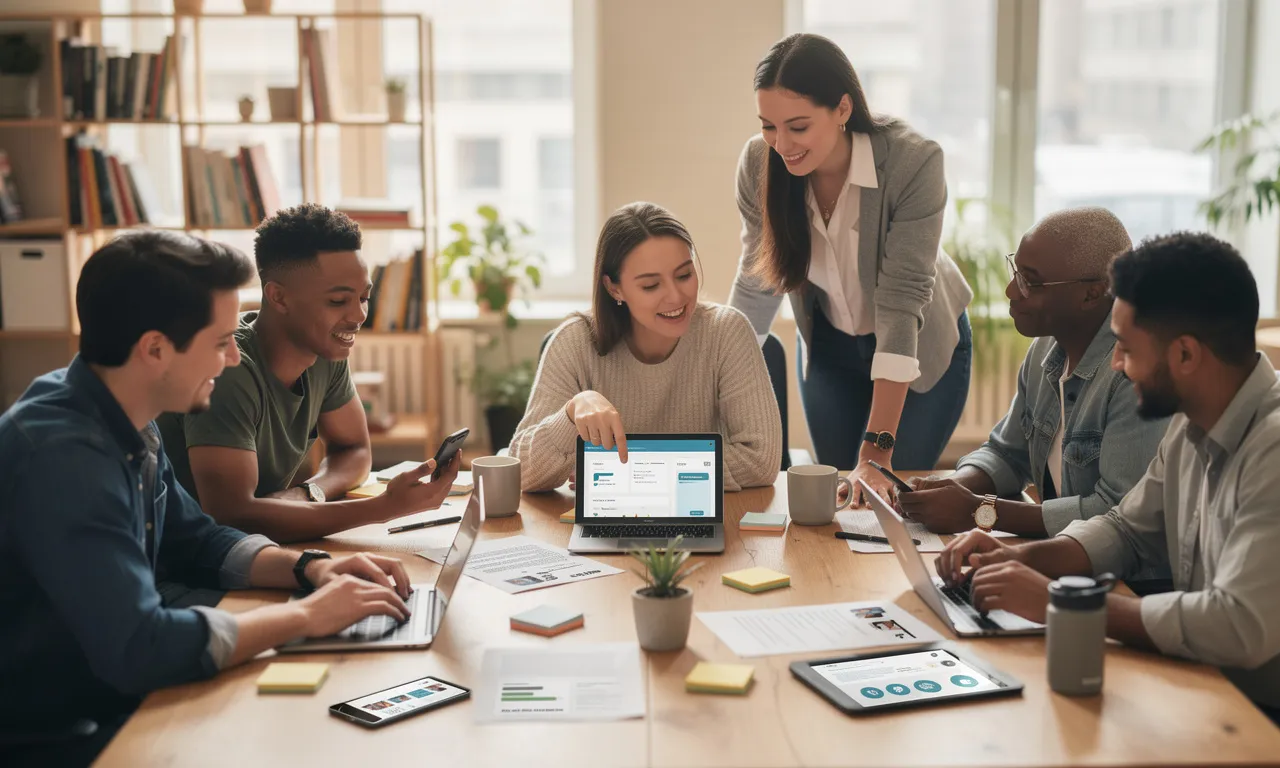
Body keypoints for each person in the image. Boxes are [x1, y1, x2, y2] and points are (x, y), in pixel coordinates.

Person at [0, 231, 419, 766]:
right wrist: (305, 618)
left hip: (104, 686)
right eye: (221, 341)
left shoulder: (125, 415)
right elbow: (139, 647)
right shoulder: (64, 458)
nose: (232, 358)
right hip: (58, 729)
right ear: (155, 350)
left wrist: (311, 570)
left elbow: (197, 537)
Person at [935, 232, 1280, 765]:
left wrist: (1065, 605)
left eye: (1126, 348)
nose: (1117, 365)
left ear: (1185, 354)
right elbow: (1125, 528)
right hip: (1208, 687)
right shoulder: (1194, 419)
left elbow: (1239, 627)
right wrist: (1017, 558)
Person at [728, 33, 974, 507]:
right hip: (831, 347)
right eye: (768, 126)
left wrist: (876, 453)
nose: (782, 145)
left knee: (889, 498)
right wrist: (710, 377)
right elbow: (757, 285)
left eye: (798, 127)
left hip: (919, 347)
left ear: (842, 109)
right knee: (838, 501)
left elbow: (902, 303)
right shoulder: (759, 162)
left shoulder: (913, 161)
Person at [157, 204, 458, 543]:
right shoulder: (229, 370)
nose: (358, 315)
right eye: (338, 301)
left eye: (364, 297)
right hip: (194, 561)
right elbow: (232, 517)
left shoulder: (325, 352)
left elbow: (355, 450)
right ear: (278, 297)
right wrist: (383, 508)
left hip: (258, 551)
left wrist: (307, 493)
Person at [900, 208, 1170, 547]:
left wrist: (979, 512)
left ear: (1092, 293)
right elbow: (1008, 453)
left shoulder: (1133, 375)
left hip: (1130, 583)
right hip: (1068, 559)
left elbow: (1116, 512)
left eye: (1031, 281)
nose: (1012, 291)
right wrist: (957, 485)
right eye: (1017, 273)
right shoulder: (1045, 350)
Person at [510, 201, 781, 493]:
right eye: (651, 285)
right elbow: (520, 472)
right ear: (614, 288)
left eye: (684, 275)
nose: (676, 297)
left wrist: (618, 471)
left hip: (700, 515)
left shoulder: (725, 332)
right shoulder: (574, 341)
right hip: (605, 523)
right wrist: (571, 413)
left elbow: (760, 460)